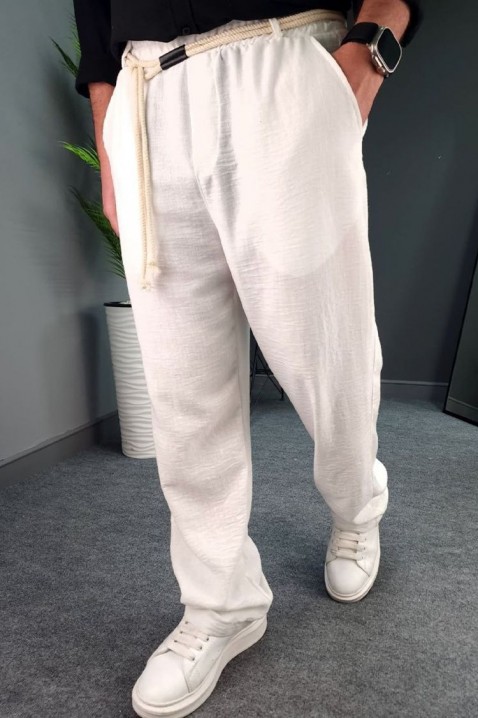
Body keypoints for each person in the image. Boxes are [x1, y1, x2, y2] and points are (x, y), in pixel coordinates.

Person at [72, 2, 423, 716]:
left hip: (280, 60)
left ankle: (357, 504)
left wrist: (363, 62)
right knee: (183, 386)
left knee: (327, 355)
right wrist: (110, 146)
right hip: (147, 95)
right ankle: (220, 602)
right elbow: (92, 13)